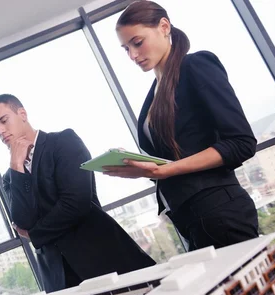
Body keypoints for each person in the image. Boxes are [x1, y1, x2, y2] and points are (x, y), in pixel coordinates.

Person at [104, 0, 259, 251]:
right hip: (190, 219)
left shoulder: (195, 66)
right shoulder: (155, 92)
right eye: (126, 49)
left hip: (219, 210)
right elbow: (175, 155)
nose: (133, 55)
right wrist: (144, 168)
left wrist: (165, 171)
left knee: (249, 290)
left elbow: (241, 143)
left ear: (164, 26)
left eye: (138, 42)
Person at [0, 94, 156, 288]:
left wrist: (35, 234)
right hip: (58, 279)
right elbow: (22, 221)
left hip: (101, 258)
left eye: (3, 121)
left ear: (22, 114)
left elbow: (76, 203)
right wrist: (16, 164)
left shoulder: (63, 142)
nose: (0, 131)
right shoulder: (11, 176)